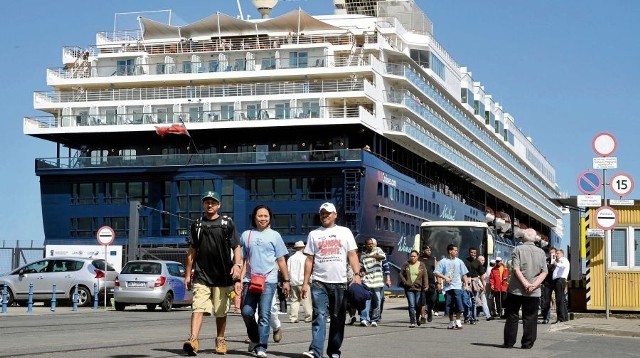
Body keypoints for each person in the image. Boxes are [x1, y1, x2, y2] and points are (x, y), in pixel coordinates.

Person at [183, 191, 242, 356]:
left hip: (222, 276)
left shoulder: (226, 223)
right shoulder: (197, 225)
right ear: (203, 204)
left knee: (221, 311)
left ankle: (220, 339)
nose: (210, 205)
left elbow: (236, 246)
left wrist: (237, 265)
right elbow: (191, 251)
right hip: (202, 275)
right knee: (198, 308)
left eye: (213, 202)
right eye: (207, 202)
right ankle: (193, 340)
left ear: (219, 205)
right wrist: (188, 275)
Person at [301, 202, 361, 358]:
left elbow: (352, 255)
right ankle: (316, 351)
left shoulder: (345, 232)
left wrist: (357, 275)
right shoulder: (314, 234)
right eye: (322, 213)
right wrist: (305, 283)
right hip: (318, 282)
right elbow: (309, 260)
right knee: (319, 316)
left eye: (328, 213)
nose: (324, 216)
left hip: (340, 283)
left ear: (335, 215)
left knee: (337, 319)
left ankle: (334, 351)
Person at [240, 205, 290, 358]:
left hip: (269, 280)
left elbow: (281, 259)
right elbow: (242, 259)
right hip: (250, 279)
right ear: (254, 217)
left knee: (264, 314)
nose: (263, 218)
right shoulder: (246, 235)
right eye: (260, 215)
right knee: (246, 311)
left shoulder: (275, 236)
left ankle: (261, 347)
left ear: (270, 218)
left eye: (266, 216)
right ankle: (255, 338)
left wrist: (286, 280)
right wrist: (239, 279)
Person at [502, 228, 548, 349]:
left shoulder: (517, 249)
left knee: (512, 315)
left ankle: (509, 342)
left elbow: (516, 269)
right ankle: (527, 343)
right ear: (535, 239)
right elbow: (544, 272)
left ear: (523, 238)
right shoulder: (541, 252)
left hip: (516, 289)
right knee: (531, 317)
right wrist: (533, 285)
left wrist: (525, 284)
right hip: (534, 291)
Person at [434, 243, 469, 330]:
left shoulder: (459, 261)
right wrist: (444, 277)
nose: (456, 252)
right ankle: (451, 322)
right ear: (450, 251)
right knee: (449, 305)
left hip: (457, 286)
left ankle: (458, 321)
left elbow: (464, 274)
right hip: (448, 287)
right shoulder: (443, 261)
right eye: (455, 250)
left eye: (457, 250)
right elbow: (436, 272)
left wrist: (466, 284)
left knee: (459, 304)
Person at [358, 237, 386, 327]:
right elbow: (361, 266)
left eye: (371, 244)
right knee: (366, 300)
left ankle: (375, 319)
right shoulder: (363, 254)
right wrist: (361, 271)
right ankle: (364, 319)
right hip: (367, 281)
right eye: (368, 244)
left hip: (377, 281)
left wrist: (371, 256)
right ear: (366, 245)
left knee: (377, 300)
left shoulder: (378, 250)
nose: (370, 245)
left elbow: (382, 257)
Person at [399, 250, 428, 327]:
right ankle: (412, 321)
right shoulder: (406, 264)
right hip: (409, 288)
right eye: (411, 256)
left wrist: (426, 286)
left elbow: (425, 276)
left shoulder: (421, 265)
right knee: (411, 305)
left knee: (418, 305)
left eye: (414, 256)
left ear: (417, 256)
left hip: (418, 288)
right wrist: (405, 282)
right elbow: (401, 274)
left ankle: (417, 317)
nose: (413, 258)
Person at [288, 240, 313, 323]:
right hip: (303, 282)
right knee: (306, 300)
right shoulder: (305, 258)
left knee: (294, 300)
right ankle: (308, 317)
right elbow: (308, 270)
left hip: (293, 282)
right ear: (303, 248)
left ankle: (293, 317)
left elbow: (288, 270)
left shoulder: (290, 258)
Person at [463, 247, 484, 324]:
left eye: (474, 253)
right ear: (469, 253)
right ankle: (466, 316)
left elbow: (481, 274)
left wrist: (483, 285)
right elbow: (462, 273)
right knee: (466, 301)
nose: (473, 254)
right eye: (472, 252)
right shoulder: (465, 261)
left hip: (475, 282)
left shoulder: (478, 262)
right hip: (466, 282)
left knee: (474, 301)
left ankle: (473, 318)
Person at [419, 246, 438, 323]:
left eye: (430, 250)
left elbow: (437, 271)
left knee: (432, 299)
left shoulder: (433, 259)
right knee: (422, 300)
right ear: (423, 250)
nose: (429, 251)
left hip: (431, 282)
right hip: (422, 282)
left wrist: (439, 282)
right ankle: (423, 317)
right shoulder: (419, 259)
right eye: (427, 250)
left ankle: (429, 311)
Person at [551, 248, 570, 323]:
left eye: (557, 253)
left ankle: (561, 318)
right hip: (559, 280)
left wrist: (557, 264)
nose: (556, 255)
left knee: (559, 300)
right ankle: (564, 317)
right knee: (561, 299)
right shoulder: (560, 260)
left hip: (560, 280)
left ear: (562, 254)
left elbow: (564, 266)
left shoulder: (563, 259)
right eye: (556, 253)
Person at [540, 247, 557, 324]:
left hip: (556, 282)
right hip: (547, 283)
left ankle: (560, 317)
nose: (551, 254)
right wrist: (551, 265)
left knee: (559, 300)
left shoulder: (559, 260)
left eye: (553, 253)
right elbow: (545, 268)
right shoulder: (546, 260)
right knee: (546, 301)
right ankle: (546, 318)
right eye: (550, 253)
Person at [475, 255, 493, 321]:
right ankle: (474, 316)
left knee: (483, 301)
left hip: (482, 286)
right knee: (475, 302)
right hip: (477, 286)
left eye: (484, 260)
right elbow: (478, 278)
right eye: (482, 260)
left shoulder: (482, 268)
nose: (483, 262)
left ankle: (487, 315)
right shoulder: (476, 267)